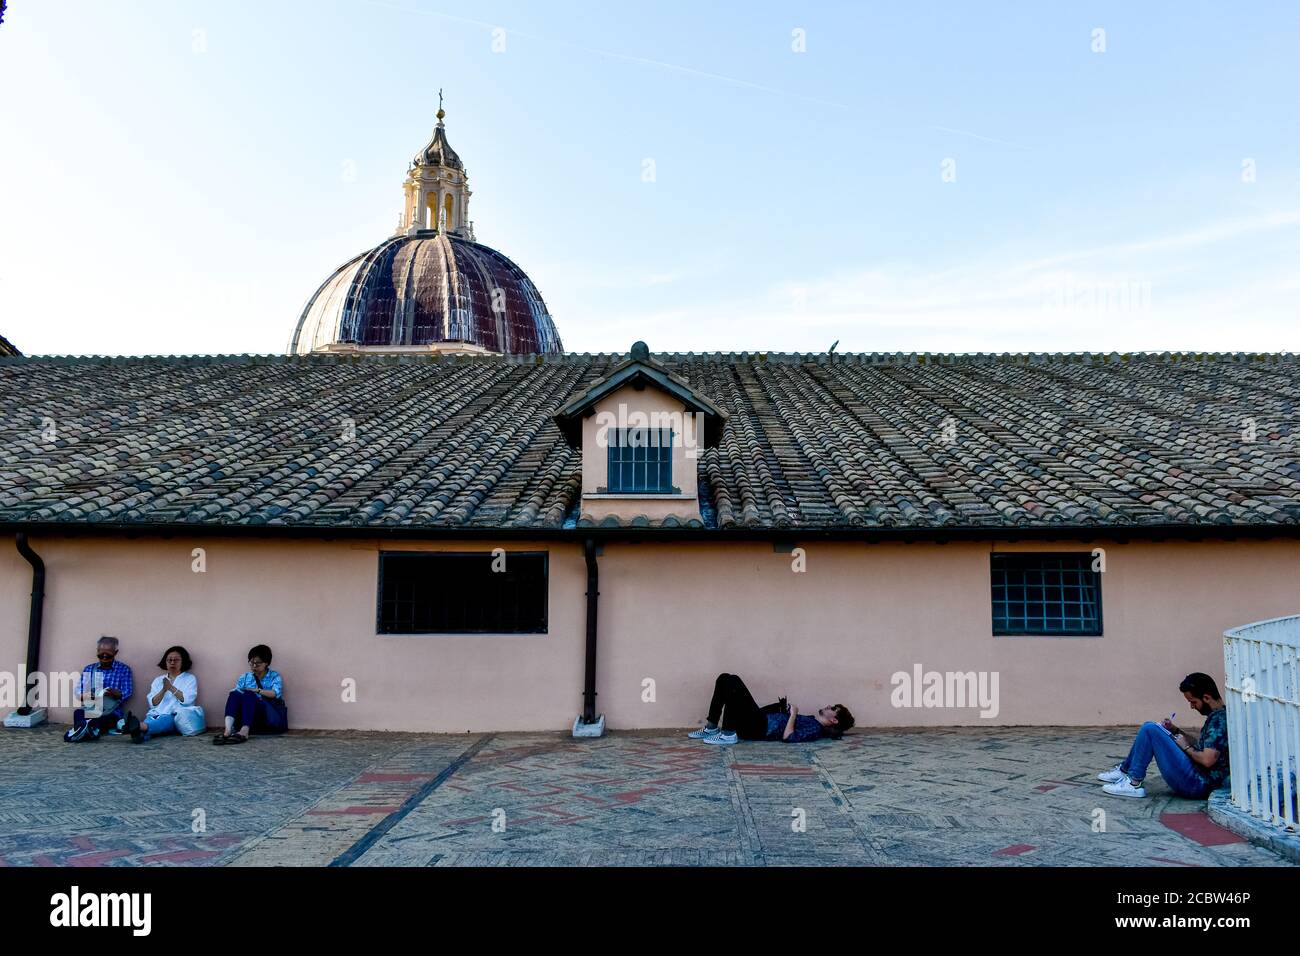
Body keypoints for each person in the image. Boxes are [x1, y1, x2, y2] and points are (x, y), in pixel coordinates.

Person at [1099, 672, 1230, 799]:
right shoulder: (1218, 716)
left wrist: (1186, 748)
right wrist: (1175, 730)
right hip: (1198, 779)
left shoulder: (1219, 721)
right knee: (1151, 727)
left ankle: (1133, 783)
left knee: (1149, 729)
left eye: (1193, 702)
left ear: (1206, 698)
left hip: (1197, 783)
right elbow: (1201, 745)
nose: (1192, 707)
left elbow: (1207, 760)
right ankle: (1125, 771)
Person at [687, 673, 854, 745]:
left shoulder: (816, 729)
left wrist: (793, 714)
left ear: (834, 720)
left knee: (733, 682)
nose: (828, 706)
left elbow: (789, 737)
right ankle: (711, 728)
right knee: (725, 678)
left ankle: (728, 735)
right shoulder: (813, 721)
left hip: (759, 728)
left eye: (833, 708)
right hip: (758, 720)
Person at [213, 644, 287, 745]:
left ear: (266, 663)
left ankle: (244, 731)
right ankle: (228, 730)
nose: (254, 666)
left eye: (258, 663)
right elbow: (237, 693)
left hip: (267, 715)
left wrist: (256, 691)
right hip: (247, 714)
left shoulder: (274, 676)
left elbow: (275, 693)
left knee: (249, 694)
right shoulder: (245, 677)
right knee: (235, 694)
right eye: (251, 663)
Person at [64, 636, 134, 742]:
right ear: (97, 652)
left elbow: (128, 692)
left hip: (111, 711)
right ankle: (89, 731)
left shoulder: (124, 669)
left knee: (107, 719)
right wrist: (87, 695)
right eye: (101, 654)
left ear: (116, 652)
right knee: (78, 713)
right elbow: (78, 692)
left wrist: (117, 693)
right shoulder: (89, 669)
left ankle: (83, 730)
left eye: (108, 654)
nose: (104, 657)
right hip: (91, 708)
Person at [131, 646, 205, 743]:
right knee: (151, 721)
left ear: (183, 661)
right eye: (169, 660)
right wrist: (163, 690)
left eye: (176, 660)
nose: (172, 662)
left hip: (174, 717)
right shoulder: (158, 680)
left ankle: (138, 727)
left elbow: (187, 700)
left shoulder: (189, 678)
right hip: (155, 714)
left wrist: (171, 688)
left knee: (163, 721)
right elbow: (152, 703)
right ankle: (141, 733)